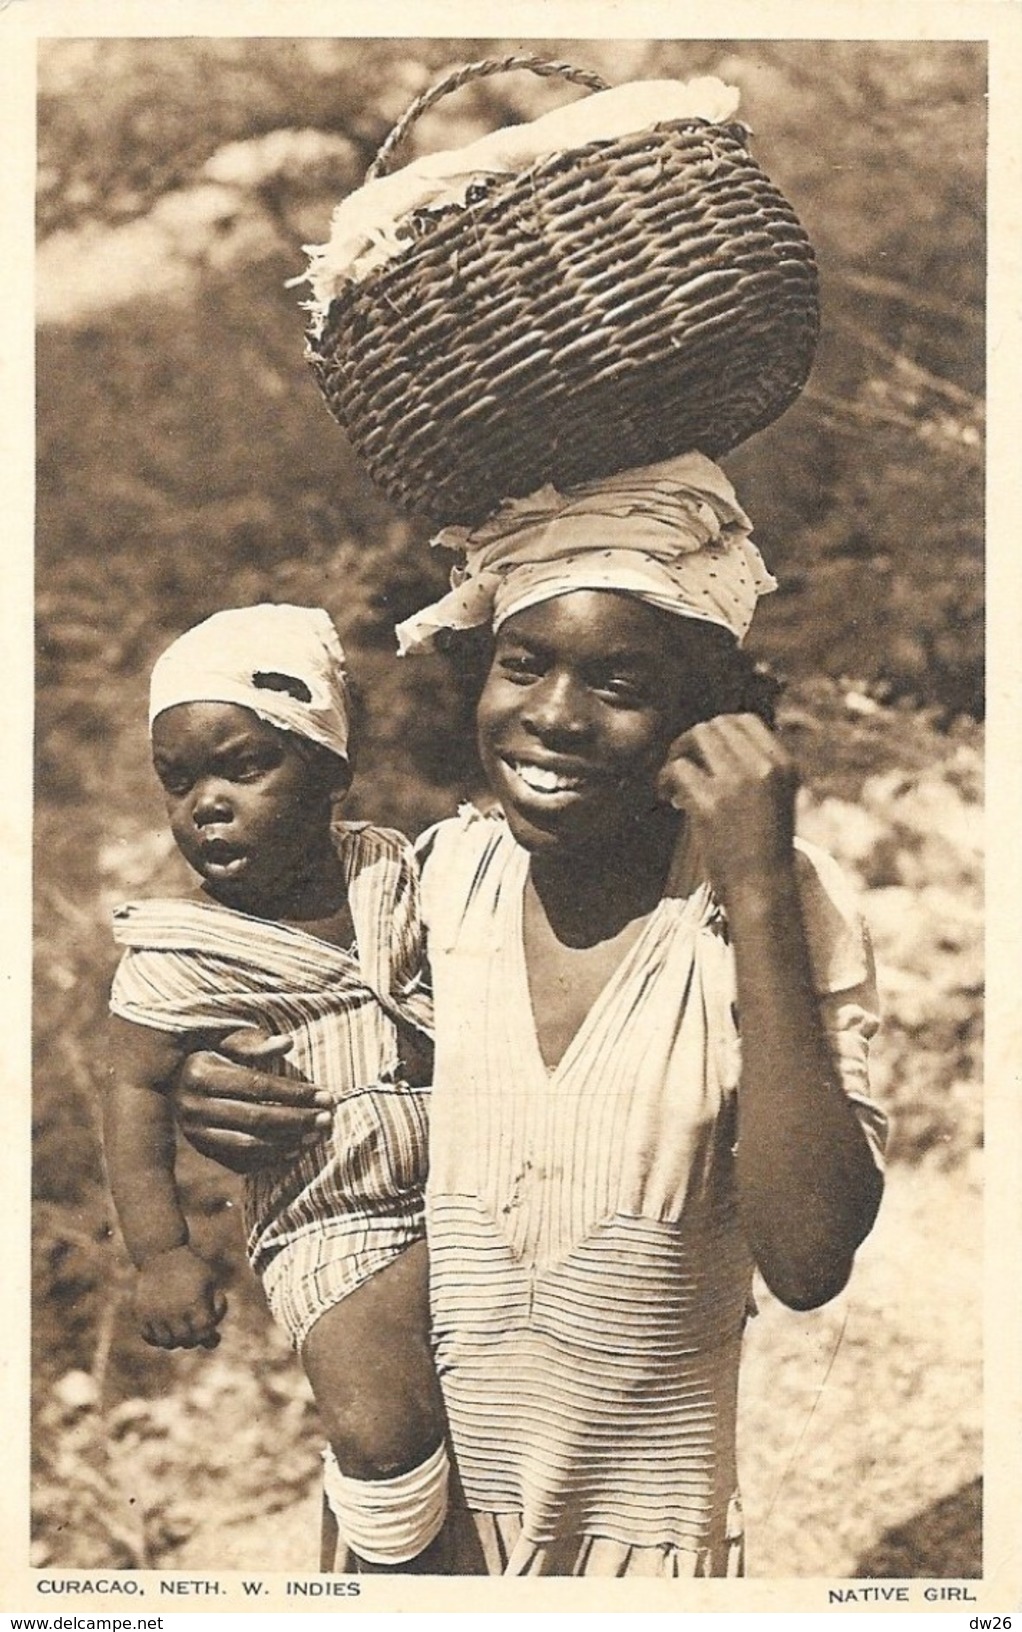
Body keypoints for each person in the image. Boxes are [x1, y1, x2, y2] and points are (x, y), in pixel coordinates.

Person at [169, 456, 888, 1577]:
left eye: (620, 683)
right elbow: (333, 1088)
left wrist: (752, 888)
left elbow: (806, 1258)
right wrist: (223, 1091)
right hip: (415, 1537)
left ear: (701, 717)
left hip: (638, 1558)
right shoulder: (438, 882)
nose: (552, 716)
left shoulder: (771, 910)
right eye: (523, 665)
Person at [102, 603, 449, 1573]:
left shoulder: (388, 869)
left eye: (241, 767)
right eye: (178, 782)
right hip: (322, 1217)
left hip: (464, 1184)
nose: (203, 804)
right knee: (375, 1417)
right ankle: (390, 1580)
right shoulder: (180, 951)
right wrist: (162, 1253)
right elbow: (130, 1090)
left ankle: (406, 1553)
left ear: (330, 769)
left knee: (474, 1415)